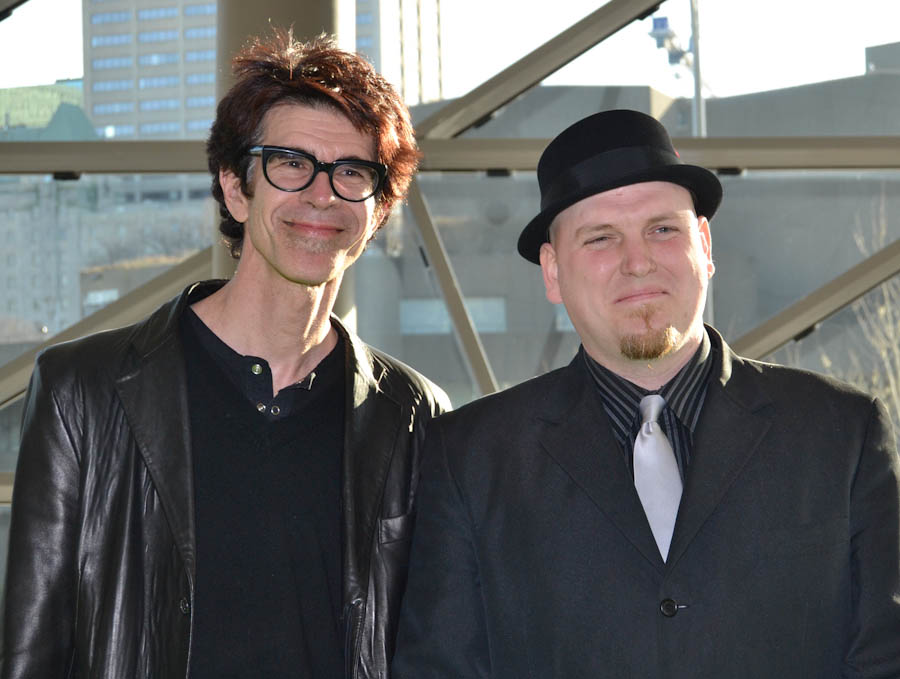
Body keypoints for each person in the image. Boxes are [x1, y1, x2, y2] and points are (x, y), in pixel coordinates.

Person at [1, 28, 449, 679]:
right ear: (236, 189)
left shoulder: (415, 415)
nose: (322, 194)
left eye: (352, 171)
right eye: (290, 163)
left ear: (377, 212)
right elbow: (29, 651)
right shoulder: (84, 392)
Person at [392, 109, 900, 678]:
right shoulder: (470, 457)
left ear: (703, 244)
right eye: (601, 238)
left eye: (663, 229)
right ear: (553, 272)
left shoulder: (841, 433)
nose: (639, 263)